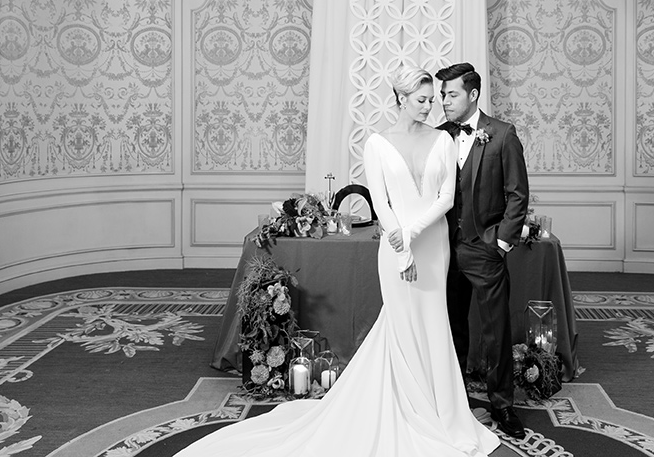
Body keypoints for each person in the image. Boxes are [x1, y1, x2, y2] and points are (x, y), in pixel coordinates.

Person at [173, 66, 499, 457]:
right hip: (395, 250)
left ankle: (440, 412)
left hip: (431, 247)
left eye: (433, 100)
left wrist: (410, 237)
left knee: (433, 324)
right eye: (422, 100)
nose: (431, 107)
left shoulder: (443, 141)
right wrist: (400, 246)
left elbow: (446, 198)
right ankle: (407, 407)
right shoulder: (377, 143)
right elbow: (380, 201)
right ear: (401, 99)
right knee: (401, 325)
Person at [435, 62, 529, 439]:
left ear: (473, 95)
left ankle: (502, 406)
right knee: (452, 329)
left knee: (495, 332)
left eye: (451, 94)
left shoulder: (503, 135)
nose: (444, 101)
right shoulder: (439, 136)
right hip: (444, 250)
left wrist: (500, 244)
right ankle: (455, 403)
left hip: (485, 250)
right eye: (442, 95)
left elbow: (517, 195)